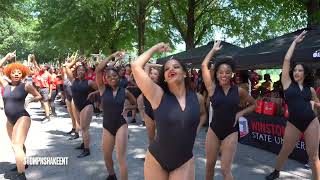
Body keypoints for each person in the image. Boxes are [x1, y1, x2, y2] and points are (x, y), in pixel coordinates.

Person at [131, 42, 207, 180]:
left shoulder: (198, 98)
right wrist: (155, 47)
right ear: (164, 78)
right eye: (166, 69)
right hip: (156, 160)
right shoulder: (157, 95)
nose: (171, 69)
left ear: (184, 73)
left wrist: (196, 129)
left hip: (184, 161)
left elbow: (203, 114)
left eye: (176, 67)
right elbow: (136, 66)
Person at [265, 30, 320, 180]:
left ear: (305, 73)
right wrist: (294, 42)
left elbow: (318, 104)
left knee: (313, 156)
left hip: (311, 122)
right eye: (295, 70)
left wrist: (314, 103)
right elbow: (286, 60)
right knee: (285, 150)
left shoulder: (310, 89)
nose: (296, 72)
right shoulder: (287, 83)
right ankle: (276, 171)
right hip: (294, 123)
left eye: (300, 70)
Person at [201, 41, 256, 180]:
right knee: (209, 166)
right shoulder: (212, 89)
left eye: (227, 72)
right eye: (220, 72)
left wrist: (241, 113)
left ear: (232, 74)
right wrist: (213, 50)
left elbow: (254, 104)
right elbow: (203, 65)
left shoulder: (239, 91)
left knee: (225, 169)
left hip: (231, 132)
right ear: (217, 74)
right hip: (213, 131)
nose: (224, 75)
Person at [1, 51, 42, 180]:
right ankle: (22, 163)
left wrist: (30, 100)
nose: (17, 74)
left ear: (22, 74)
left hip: (22, 117)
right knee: (18, 143)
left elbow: (39, 95)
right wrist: (7, 58)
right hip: (9, 120)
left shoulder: (26, 86)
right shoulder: (5, 84)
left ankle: (21, 175)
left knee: (16, 144)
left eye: (19, 72)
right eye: (14, 72)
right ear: (10, 74)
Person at [95, 51, 136, 180]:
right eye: (109, 76)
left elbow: (135, 104)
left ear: (119, 77)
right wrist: (112, 55)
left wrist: (128, 108)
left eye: (114, 76)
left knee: (120, 157)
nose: (112, 78)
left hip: (120, 125)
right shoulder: (102, 89)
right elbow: (99, 69)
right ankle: (112, 175)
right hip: (107, 125)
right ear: (105, 79)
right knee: (106, 155)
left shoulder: (125, 91)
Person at [64, 56, 97, 158]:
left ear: (85, 72)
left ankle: (87, 150)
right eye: (79, 70)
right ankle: (84, 144)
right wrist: (75, 61)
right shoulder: (73, 80)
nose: (80, 71)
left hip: (87, 105)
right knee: (81, 126)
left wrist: (92, 94)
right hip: (77, 106)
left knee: (84, 128)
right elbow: (67, 67)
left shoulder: (89, 82)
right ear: (76, 72)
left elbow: (100, 89)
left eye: (83, 70)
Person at [137, 64, 161, 143]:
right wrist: (160, 65)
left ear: (159, 77)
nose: (152, 75)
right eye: (151, 73)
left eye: (155, 74)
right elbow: (147, 66)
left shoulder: (161, 86)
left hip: (159, 113)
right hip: (148, 113)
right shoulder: (146, 84)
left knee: (160, 138)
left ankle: (161, 154)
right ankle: (151, 154)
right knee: (151, 139)